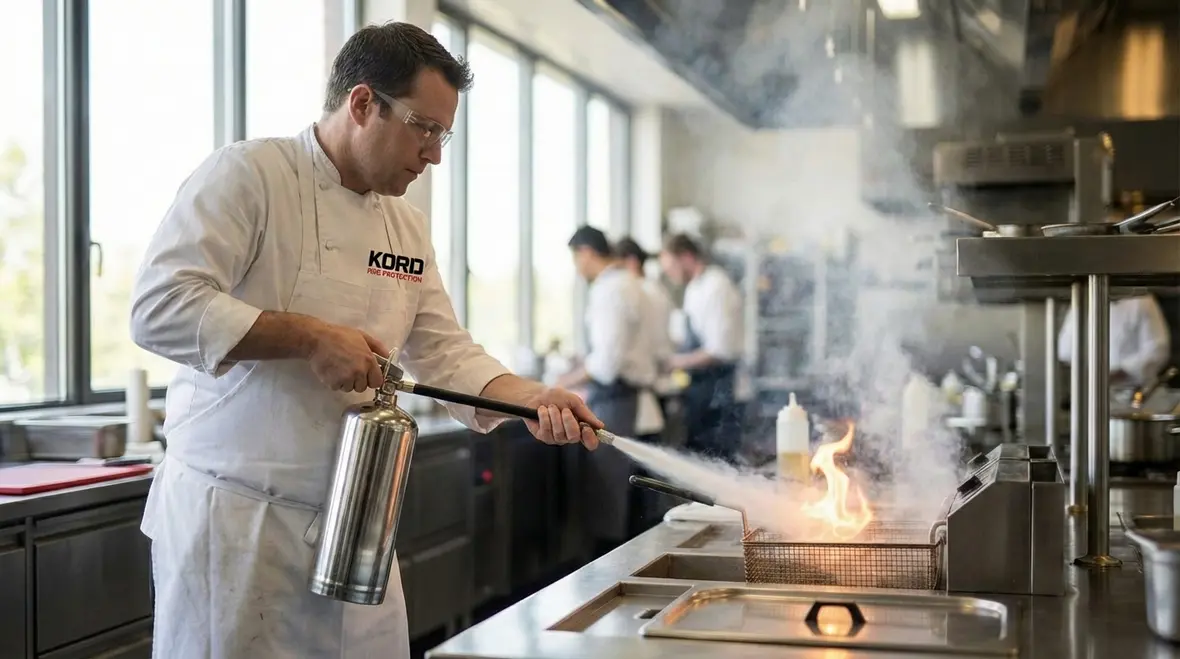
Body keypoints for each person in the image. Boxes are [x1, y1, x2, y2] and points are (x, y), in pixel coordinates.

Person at [129, 22, 602, 659]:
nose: (434, 153)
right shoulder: (251, 176)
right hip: (240, 528)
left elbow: (444, 351)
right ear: (361, 103)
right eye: (424, 128)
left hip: (356, 520)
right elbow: (160, 305)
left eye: (444, 133)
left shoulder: (404, 227)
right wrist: (308, 337)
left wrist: (534, 398)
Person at [557, 226, 659, 551]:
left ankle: (610, 579)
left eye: (576, 259)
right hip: (634, 399)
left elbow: (606, 363)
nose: (577, 268)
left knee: (610, 501)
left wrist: (561, 383)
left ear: (586, 252)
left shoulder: (609, 289)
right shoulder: (635, 284)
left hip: (616, 403)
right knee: (629, 502)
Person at [658, 233, 744, 462]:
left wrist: (674, 362)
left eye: (671, 267)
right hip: (699, 392)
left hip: (718, 391)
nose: (670, 275)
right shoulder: (693, 288)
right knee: (698, 456)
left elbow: (719, 350)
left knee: (718, 462)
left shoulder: (716, 286)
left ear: (686, 257)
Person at [1057, 294, 1171, 387]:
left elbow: (1157, 348)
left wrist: (1122, 371)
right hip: (1092, 391)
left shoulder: (1141, 300)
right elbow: (1065, 350)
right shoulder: (1084, 299)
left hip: (1135, 390)